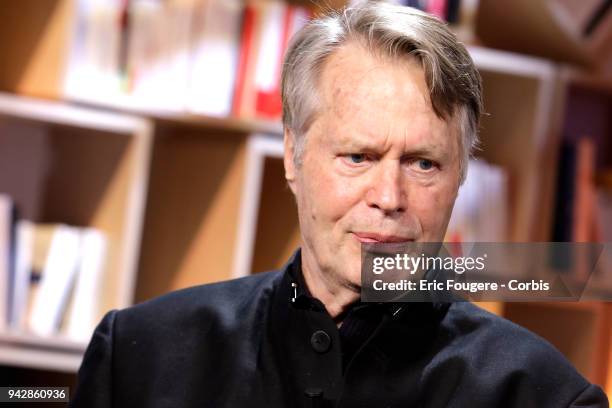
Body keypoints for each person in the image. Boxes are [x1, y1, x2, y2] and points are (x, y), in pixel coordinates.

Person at [70, 2, 609, 407]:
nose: (388, 198)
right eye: (358, 156)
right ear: (292, 154)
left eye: (424, 163)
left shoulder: (545, 397)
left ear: (461, 175)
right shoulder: (141, 355)